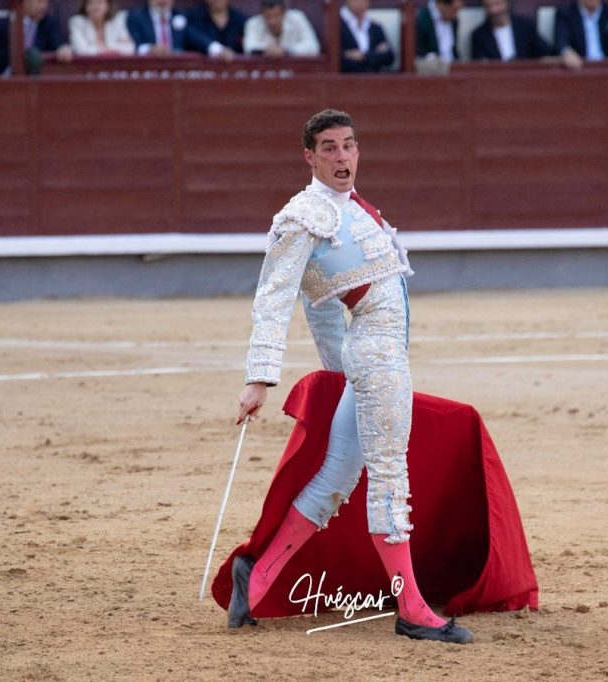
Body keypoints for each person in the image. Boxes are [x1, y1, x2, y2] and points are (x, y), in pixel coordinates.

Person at [229, 109, 474, 644]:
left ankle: (258, 576)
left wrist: (340, 372)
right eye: (330, 148)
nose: (343, 157)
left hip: (372, 360)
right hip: (379, 358)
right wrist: (259, 378)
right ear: (310, 157)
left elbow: (319, 302)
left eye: (350, 145)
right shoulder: (304, 216)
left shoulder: (352, 207)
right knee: (390, 477)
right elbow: (276, 294)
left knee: (336, 478)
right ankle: (411, 608)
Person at [0, 0, 73, 75]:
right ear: (24, 2)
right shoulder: (4, 25)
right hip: (3, 87)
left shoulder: (48, 24)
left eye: (46, 1)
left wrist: (63, 48)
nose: (44, 6)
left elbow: (58, 43)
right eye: (39, 1)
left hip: (36, 87)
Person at [553, 0, 608, 69]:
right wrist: (567, 52)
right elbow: (561, 40)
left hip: (607, 67)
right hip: (579, 67)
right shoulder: (566, 12)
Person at [470, 0, 550, 60]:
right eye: (488, 6)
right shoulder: (479, 35)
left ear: (507, 3)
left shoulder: (525, 27)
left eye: (497, 4)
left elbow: (545, 53)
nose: (493, 10)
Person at [243, 0, 320, 57]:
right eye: (268, 16)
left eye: (276, 15)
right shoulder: (253, 23)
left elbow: (313, 47)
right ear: (262, 14)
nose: (272, 22)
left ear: (284, 13)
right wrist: (267, 50)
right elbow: (249, 47)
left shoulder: (298, 18)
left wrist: (286, 50)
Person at [340, 0, 395, 72]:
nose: (360, 2)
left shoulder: (375, 27)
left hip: (374, 80)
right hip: (345, 80)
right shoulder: (335, 26)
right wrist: (374, 55)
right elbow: (338, 59)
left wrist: (363, 56)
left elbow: (389, 57)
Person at [69, 0, 135, 56]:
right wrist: (111, 50)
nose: (95, 7)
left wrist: (97, 49)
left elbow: (130, 48)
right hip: (88, 66)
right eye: (90, 3)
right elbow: (81, 50)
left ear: (108, 5)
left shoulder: (117, 21)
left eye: (99, 2)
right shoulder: (77, 22)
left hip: (114, 65)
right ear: (85, 7)